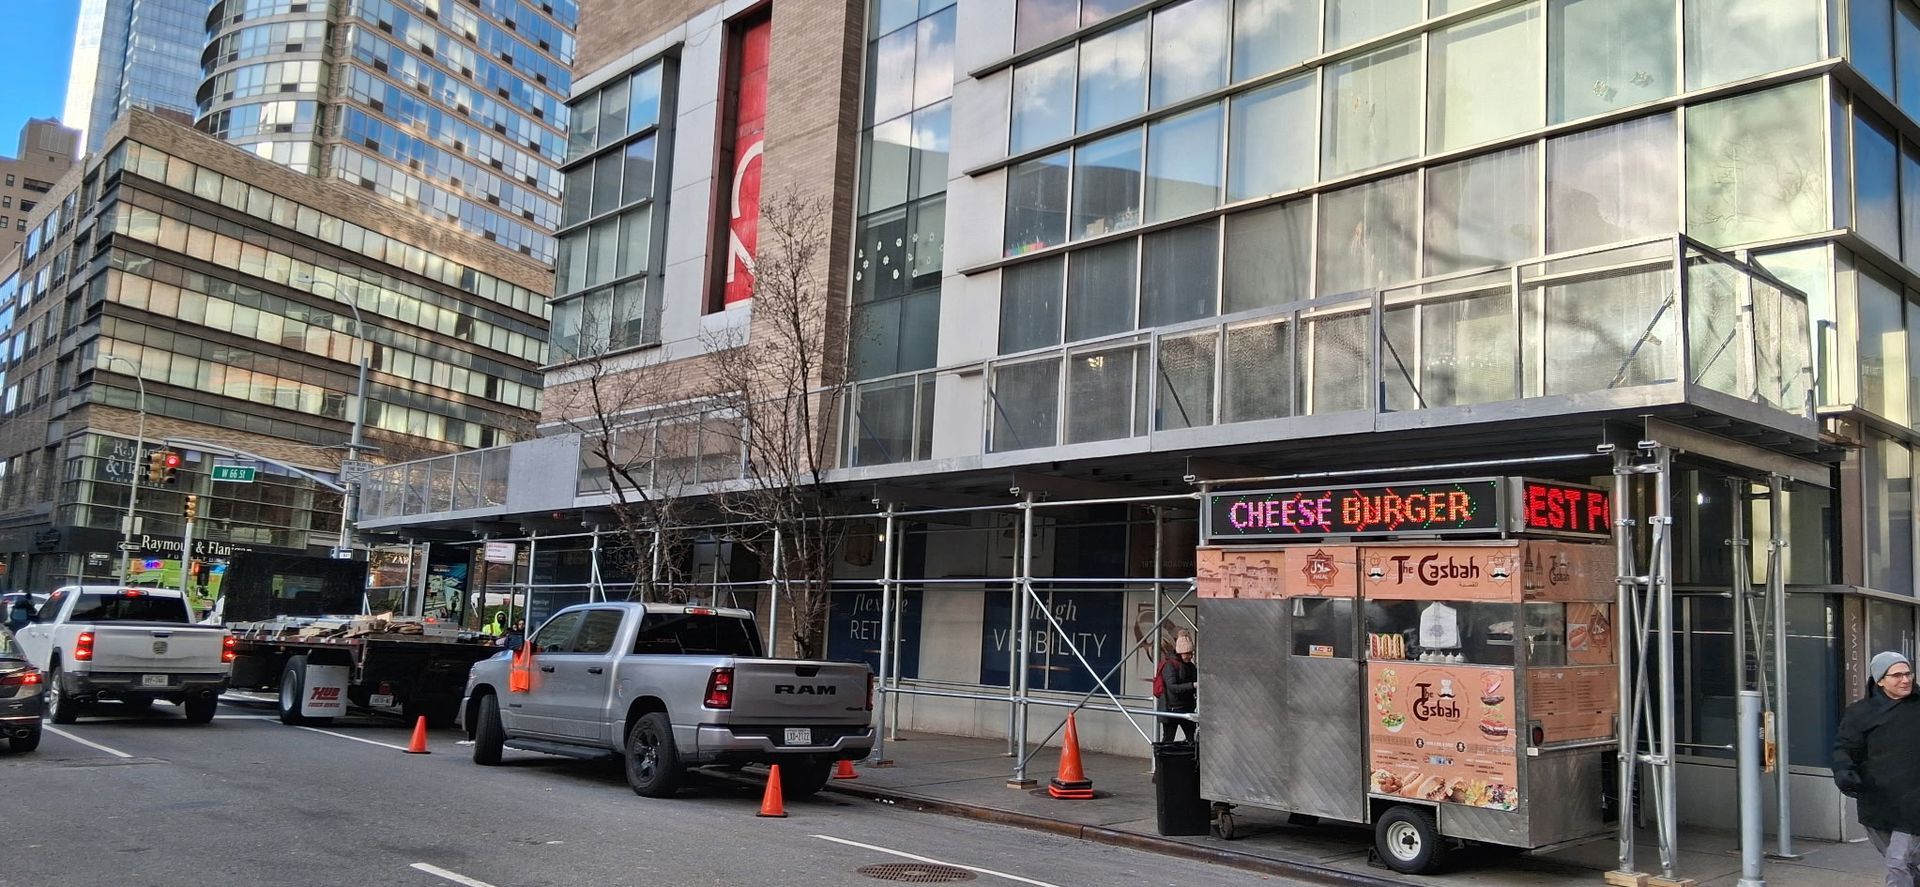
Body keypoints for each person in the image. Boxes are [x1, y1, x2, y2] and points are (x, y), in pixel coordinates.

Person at [1835, 650, 1920, 886]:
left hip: (1914, 801)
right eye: (1897, 675)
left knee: (1898, 862)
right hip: (1876, 800)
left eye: (1908, 673)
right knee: (1904, 864)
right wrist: (1844, 772)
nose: (1905, 680)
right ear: (1880, 680)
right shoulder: (1859, 713)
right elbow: (1845, 748)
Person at [1158, 633, 1197, 743]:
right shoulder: (1169, 665)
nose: (1190, 656)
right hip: (1172, 709)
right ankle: (1163, 760)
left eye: (1191, 653)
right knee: (1168, 739)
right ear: (1180, 653)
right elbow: (1172, 687)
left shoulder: (1190, 666)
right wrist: (1193, 685)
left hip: (1186, 708)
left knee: (1192, 738)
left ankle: (1190, 759)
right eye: (1187, 653)